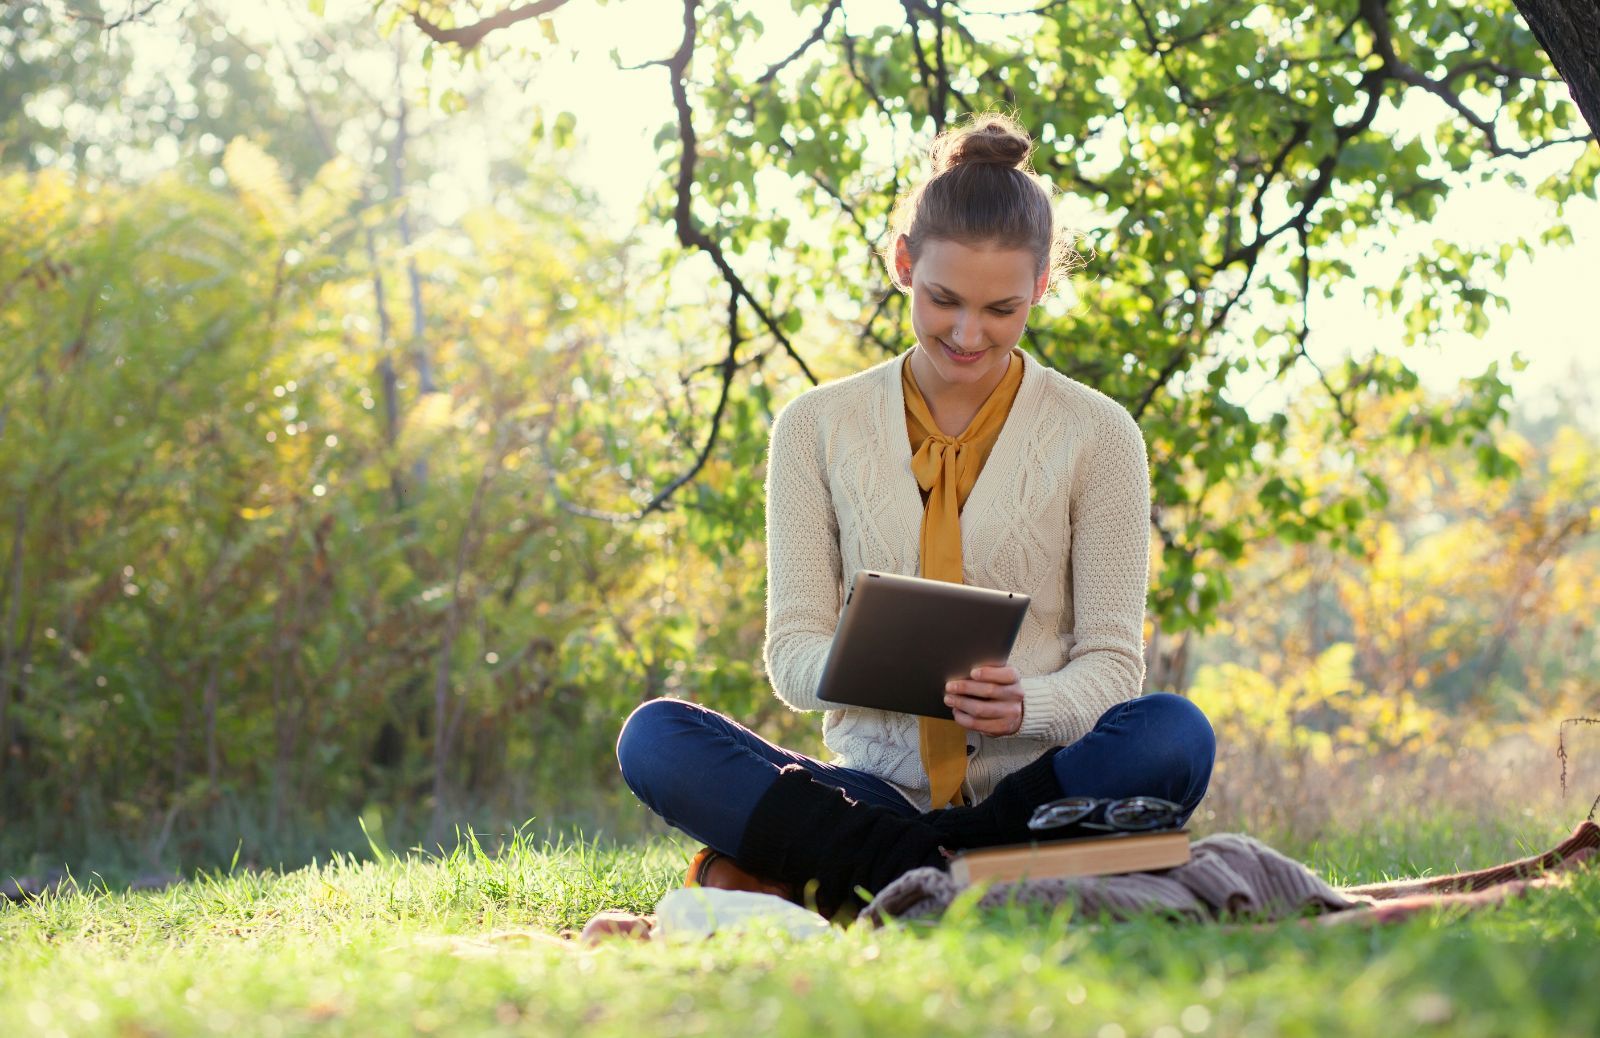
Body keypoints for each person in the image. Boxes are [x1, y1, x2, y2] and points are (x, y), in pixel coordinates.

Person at [616, 113, 1215, 916]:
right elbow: (792, 653)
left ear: (1040, 287)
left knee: (1173, 736)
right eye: (943, 300)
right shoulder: (815, 426)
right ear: (903, 263)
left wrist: (1027, 706)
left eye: (1002, 309)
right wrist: (870, 663)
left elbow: (1113, 667)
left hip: (1035, 786)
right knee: (656, 739)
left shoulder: (1100, 434)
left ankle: (849, 875)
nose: (969, 334)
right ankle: (966, 872)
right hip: (872, 789)